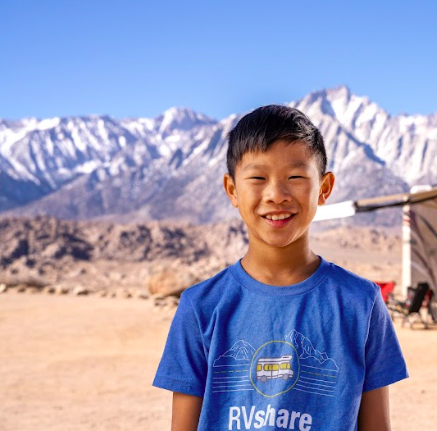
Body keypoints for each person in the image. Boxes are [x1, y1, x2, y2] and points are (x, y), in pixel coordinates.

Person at [153, 105, 408, 431]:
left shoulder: (361, 302)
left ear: (324, 188)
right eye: (258, 178)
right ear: (232, 189)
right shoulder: (200, 306)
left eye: (296, 177)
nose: (276, 194)